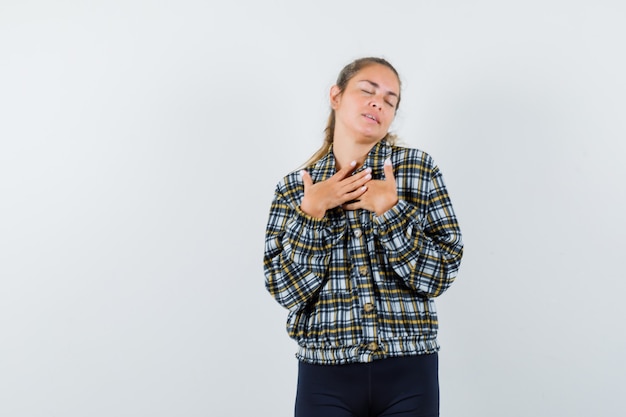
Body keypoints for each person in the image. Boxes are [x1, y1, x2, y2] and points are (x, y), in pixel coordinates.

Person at [263, 57, 463, 417]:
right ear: (335, 96)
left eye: (390, 100)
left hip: (410, 370)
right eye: (367, 91)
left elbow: (439, 276)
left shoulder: (418, 170)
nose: (378, 103)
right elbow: (284, 291)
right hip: (324, 375)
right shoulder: (294, 189)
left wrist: (391, 213)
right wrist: (312, 214)